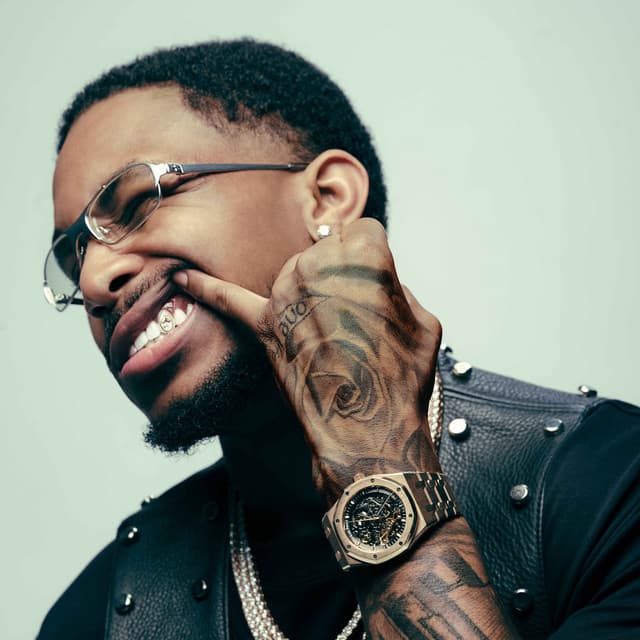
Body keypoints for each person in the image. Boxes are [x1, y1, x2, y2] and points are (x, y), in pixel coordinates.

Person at [38, 39, 639, 640]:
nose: (93, 283)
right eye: (73, 259)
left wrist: (374, 458)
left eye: (138, 201)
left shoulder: (614, 488)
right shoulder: (101, 614)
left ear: (328, 199)